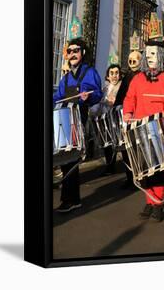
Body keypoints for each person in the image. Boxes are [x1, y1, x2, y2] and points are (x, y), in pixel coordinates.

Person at [123, 39, 164, 222]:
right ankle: (150, 200)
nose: (149, 57)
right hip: (140, 129)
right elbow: (129, 98)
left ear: (163, 55)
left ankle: (157, 203)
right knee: (144, 168)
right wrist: (127, 113)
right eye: (147, 53)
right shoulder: (139, 78)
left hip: (162, 128)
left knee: (158, 169)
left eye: (153, 53)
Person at [53, 38, 102, 213]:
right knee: (64, 159)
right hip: (63, 119)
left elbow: (97, 93)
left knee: (71, 159)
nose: (72, 54)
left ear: (83, 53)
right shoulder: (65, 78)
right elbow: (57, 98)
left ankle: (71, 199)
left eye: (76, 50)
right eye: (70, 51)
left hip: (78, 118)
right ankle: (70, 198)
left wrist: (88, 97)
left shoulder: (90, 72)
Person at [115, 50, 142, 188]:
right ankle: (130, 176)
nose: (132, 64)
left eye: (134, 60)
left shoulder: (143, 76)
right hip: (126, 115)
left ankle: (139, 175)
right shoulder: (126, 77)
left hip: (138, 115)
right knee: (126, 148)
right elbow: (121, 95)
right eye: (129, 61)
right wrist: (117, 106)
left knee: (137, 146)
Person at [98, 64, 123, 175]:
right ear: (107, 76)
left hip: (118, 120)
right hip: (106, 120)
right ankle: (110, 166)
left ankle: (129, 171)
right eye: (111, 73)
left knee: (121, 145)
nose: (114, 76)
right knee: (107, 145)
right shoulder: (104, 89)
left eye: (116, 73)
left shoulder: (122, 87)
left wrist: (115, 103)